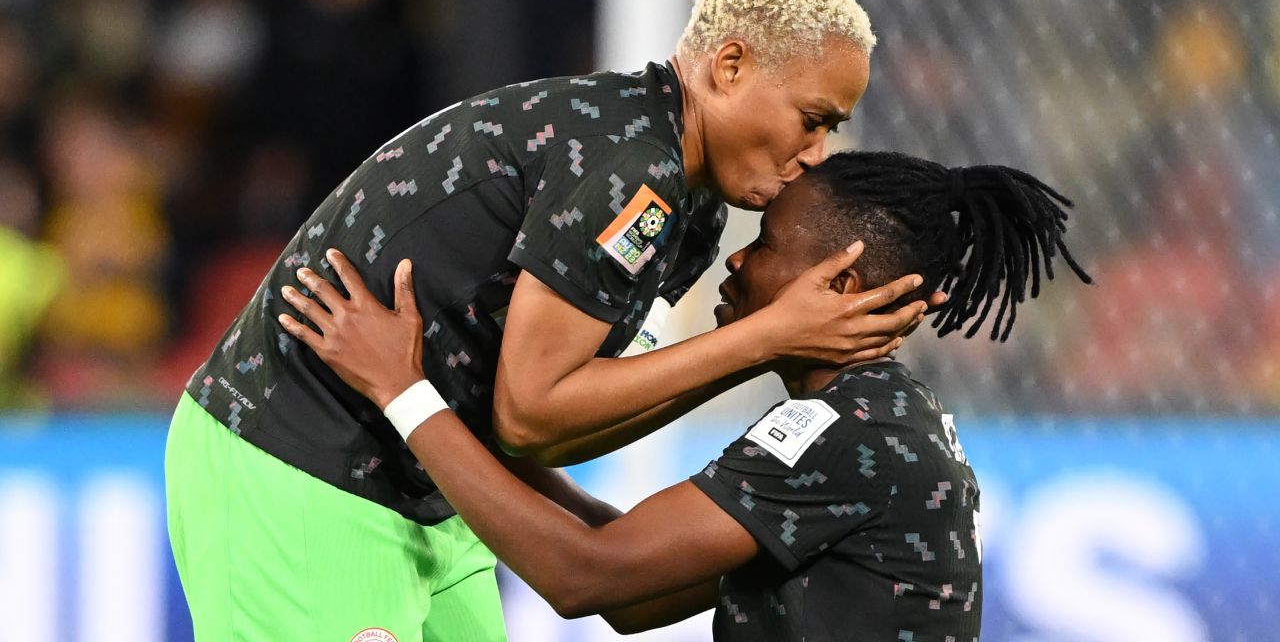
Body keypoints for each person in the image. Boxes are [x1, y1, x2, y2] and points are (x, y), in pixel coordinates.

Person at [165, 0, 940, 641]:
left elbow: (558, 424)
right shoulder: (630, 165)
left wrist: (760, 348)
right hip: (299, 456)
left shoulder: (691, 210)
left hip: (424, 482)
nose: (817, 155)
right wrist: (763, 340)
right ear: (729, 66)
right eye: (812, 120)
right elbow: (532, 413)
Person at [280, 151, 1092, 641]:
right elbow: (641, 595)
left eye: (765, 246)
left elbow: (587, 578)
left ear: (838, 282)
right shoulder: (873, 414)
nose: (737, 264)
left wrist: (404, 392)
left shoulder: (849, 432)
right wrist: (493, 443)